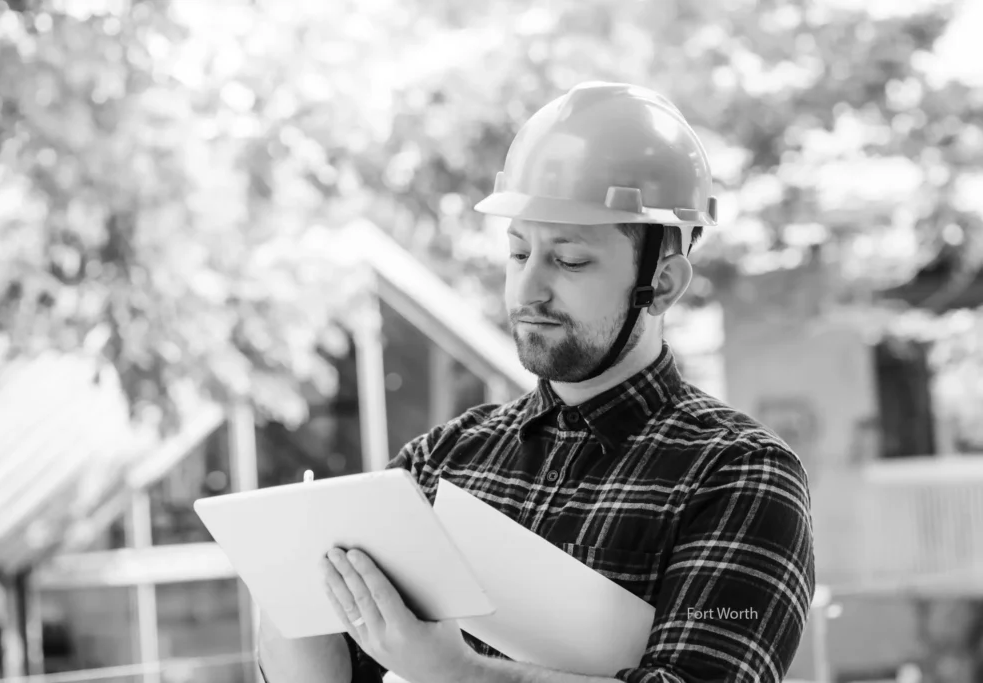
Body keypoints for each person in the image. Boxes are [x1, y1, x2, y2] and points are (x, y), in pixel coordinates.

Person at [258, 81, 816, 683]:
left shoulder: (739, 474)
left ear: (662, 284)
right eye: (519, 253)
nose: (527, 290)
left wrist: (457, 672)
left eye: (570, 260)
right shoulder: (442, 461)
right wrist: (290, 586)